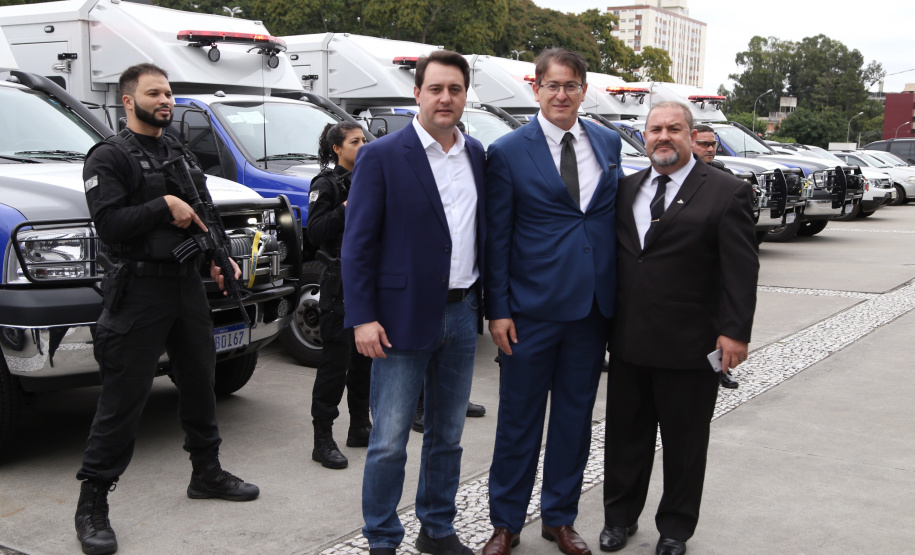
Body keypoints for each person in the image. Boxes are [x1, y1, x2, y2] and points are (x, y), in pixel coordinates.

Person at [76, 63, 258, 555]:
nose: (166, 100)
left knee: (201, 382)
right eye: (155, 93)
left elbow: (206, 209)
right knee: (124, 399)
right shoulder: (109, 157)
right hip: (137, 293)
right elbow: (111, 224)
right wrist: (164, 206)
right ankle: (92, 503)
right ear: (127, 100)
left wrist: (220, 258)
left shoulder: (177, 149)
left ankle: (208, 473)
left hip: (186, 287)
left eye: (170, 93)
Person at [341, 50, 486, 555]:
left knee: (447, 436)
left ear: (466, 95)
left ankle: (437, 529)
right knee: (388, 442)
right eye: (436, 89)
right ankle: (381, 537)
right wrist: (362, 316)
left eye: (456, 89)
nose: (446, 98)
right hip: (398, 320)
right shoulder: (382, 156)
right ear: (417, 94)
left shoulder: (476, 155)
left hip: (463, 314)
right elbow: (357, 245)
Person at [483, 48, 624, 555]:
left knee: (573, 419)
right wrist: (496, 309)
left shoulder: (608, 143)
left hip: (590, 312)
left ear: (584, 90)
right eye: (552, 86)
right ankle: (505, 522)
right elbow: (495, 238)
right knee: (518, 421)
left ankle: (559, 518)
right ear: (535, 89)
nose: (561, 95)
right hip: (529, 312)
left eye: (571, 86)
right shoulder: (506, 151)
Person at [601, 101, 758, 555]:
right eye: (655, 130)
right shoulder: (626, 189)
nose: (663, 137)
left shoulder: (727, 192)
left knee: (684, 444)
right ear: (644, 137)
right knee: (625, 438)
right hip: (629, 341)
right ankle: (619, 518)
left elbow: (740, 271)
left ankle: (675, 528)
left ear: (692, 136)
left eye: (674, 129)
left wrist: (736, 332)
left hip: (691, 345)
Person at [306, 122, 372, 469]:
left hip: (366, 281)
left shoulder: (368, 177)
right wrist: (346, 207)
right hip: (338, 282)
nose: (363, 145)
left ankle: (360, 426)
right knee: (335, 363)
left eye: (364, 140)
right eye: (355, 141)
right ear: (337, 148)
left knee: (364, 360)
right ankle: (322, 439)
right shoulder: (326, 184)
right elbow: (315, 232)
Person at [691, 124, 739, 390]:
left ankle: (720, 370)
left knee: (718, 323)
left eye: (713, 144)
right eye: (704, 144)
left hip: (718, 265)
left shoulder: (723, 174)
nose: (710, 149)